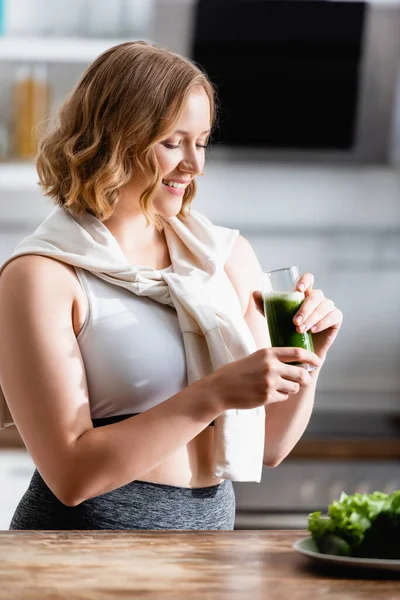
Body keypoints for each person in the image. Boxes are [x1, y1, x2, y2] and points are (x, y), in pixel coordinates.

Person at [0, 41, 342, 531]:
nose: (194, 165)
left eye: (200, 142)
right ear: (113, 141)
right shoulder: (42, 275)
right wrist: (213, 394)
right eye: (171, 142)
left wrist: (309, 356)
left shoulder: (224, 257)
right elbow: (70, 475)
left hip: (209, 544)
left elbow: (270, 446)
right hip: (81, 548)